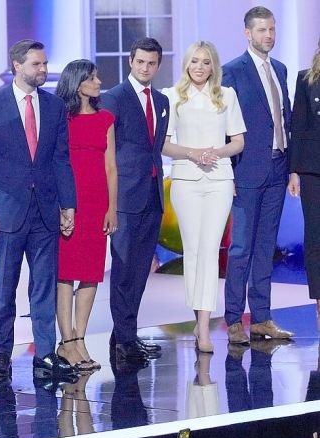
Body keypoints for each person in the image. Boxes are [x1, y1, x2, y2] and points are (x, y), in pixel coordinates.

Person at [0, 39, 77, 381]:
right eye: (37, 64)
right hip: (7, 211)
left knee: (44, 286)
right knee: (4, 287)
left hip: (46, 210)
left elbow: (62, 158)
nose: (44, 70)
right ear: (17, 66)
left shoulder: (54, 106)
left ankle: (45, 354)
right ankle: (2, 354)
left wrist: (69, 204)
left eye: (45, 63)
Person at [161, 40, 246, 354]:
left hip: (220, 178)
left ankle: (204, 325)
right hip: (185, 179)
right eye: (194, 61)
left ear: (214, 66)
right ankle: (198, 318)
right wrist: (194, 154)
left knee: (211, 251)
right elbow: (165, 144)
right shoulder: (172, 96)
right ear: (186, 64)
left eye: (205, 62)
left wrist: (216, 153)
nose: (199, 67)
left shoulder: (227, 96)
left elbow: (238, 141)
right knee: (194, 251)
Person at [223, 5, 295, 344]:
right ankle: (235, 319)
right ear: (247, 33)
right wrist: (228, 173)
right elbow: (222, 127)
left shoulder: (280, 69)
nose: (269, 35)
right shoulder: (231, 72)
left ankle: (262, 318)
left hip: (278, 167)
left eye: (272, 29)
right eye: (262, 30)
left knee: (267, 247)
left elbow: (285, 119)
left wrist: (292, 165)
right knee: (241, 248)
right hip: (246, 171)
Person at [98, 38, 170, 363]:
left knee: (141, 271)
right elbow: (106, 152)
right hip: (125, 197)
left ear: (158, 65)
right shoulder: (112, 99)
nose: (145, 68)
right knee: (124, 269)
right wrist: (108, 201)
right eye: (140, 62)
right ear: (131, 60)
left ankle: (124, 335)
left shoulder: (162, 99)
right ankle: (125, 341)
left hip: (153, 195)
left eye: (151, 63)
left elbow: (155, 149)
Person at [54, 59, 118, 371]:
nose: (98, 82)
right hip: (69, 203)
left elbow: (111, 167)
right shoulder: (60, 118)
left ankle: (80, 337)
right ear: (79, 83)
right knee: (65, 272)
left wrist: (112, 208)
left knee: (91, 273)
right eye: (93, 77)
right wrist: (60, 205)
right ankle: (66, 340)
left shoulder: (105, 118)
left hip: (97, 205)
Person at [289, 38, 320, 313]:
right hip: (313, 169)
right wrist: (294, 170)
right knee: (315, 237)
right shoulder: (305, 79)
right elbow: (297, 125)